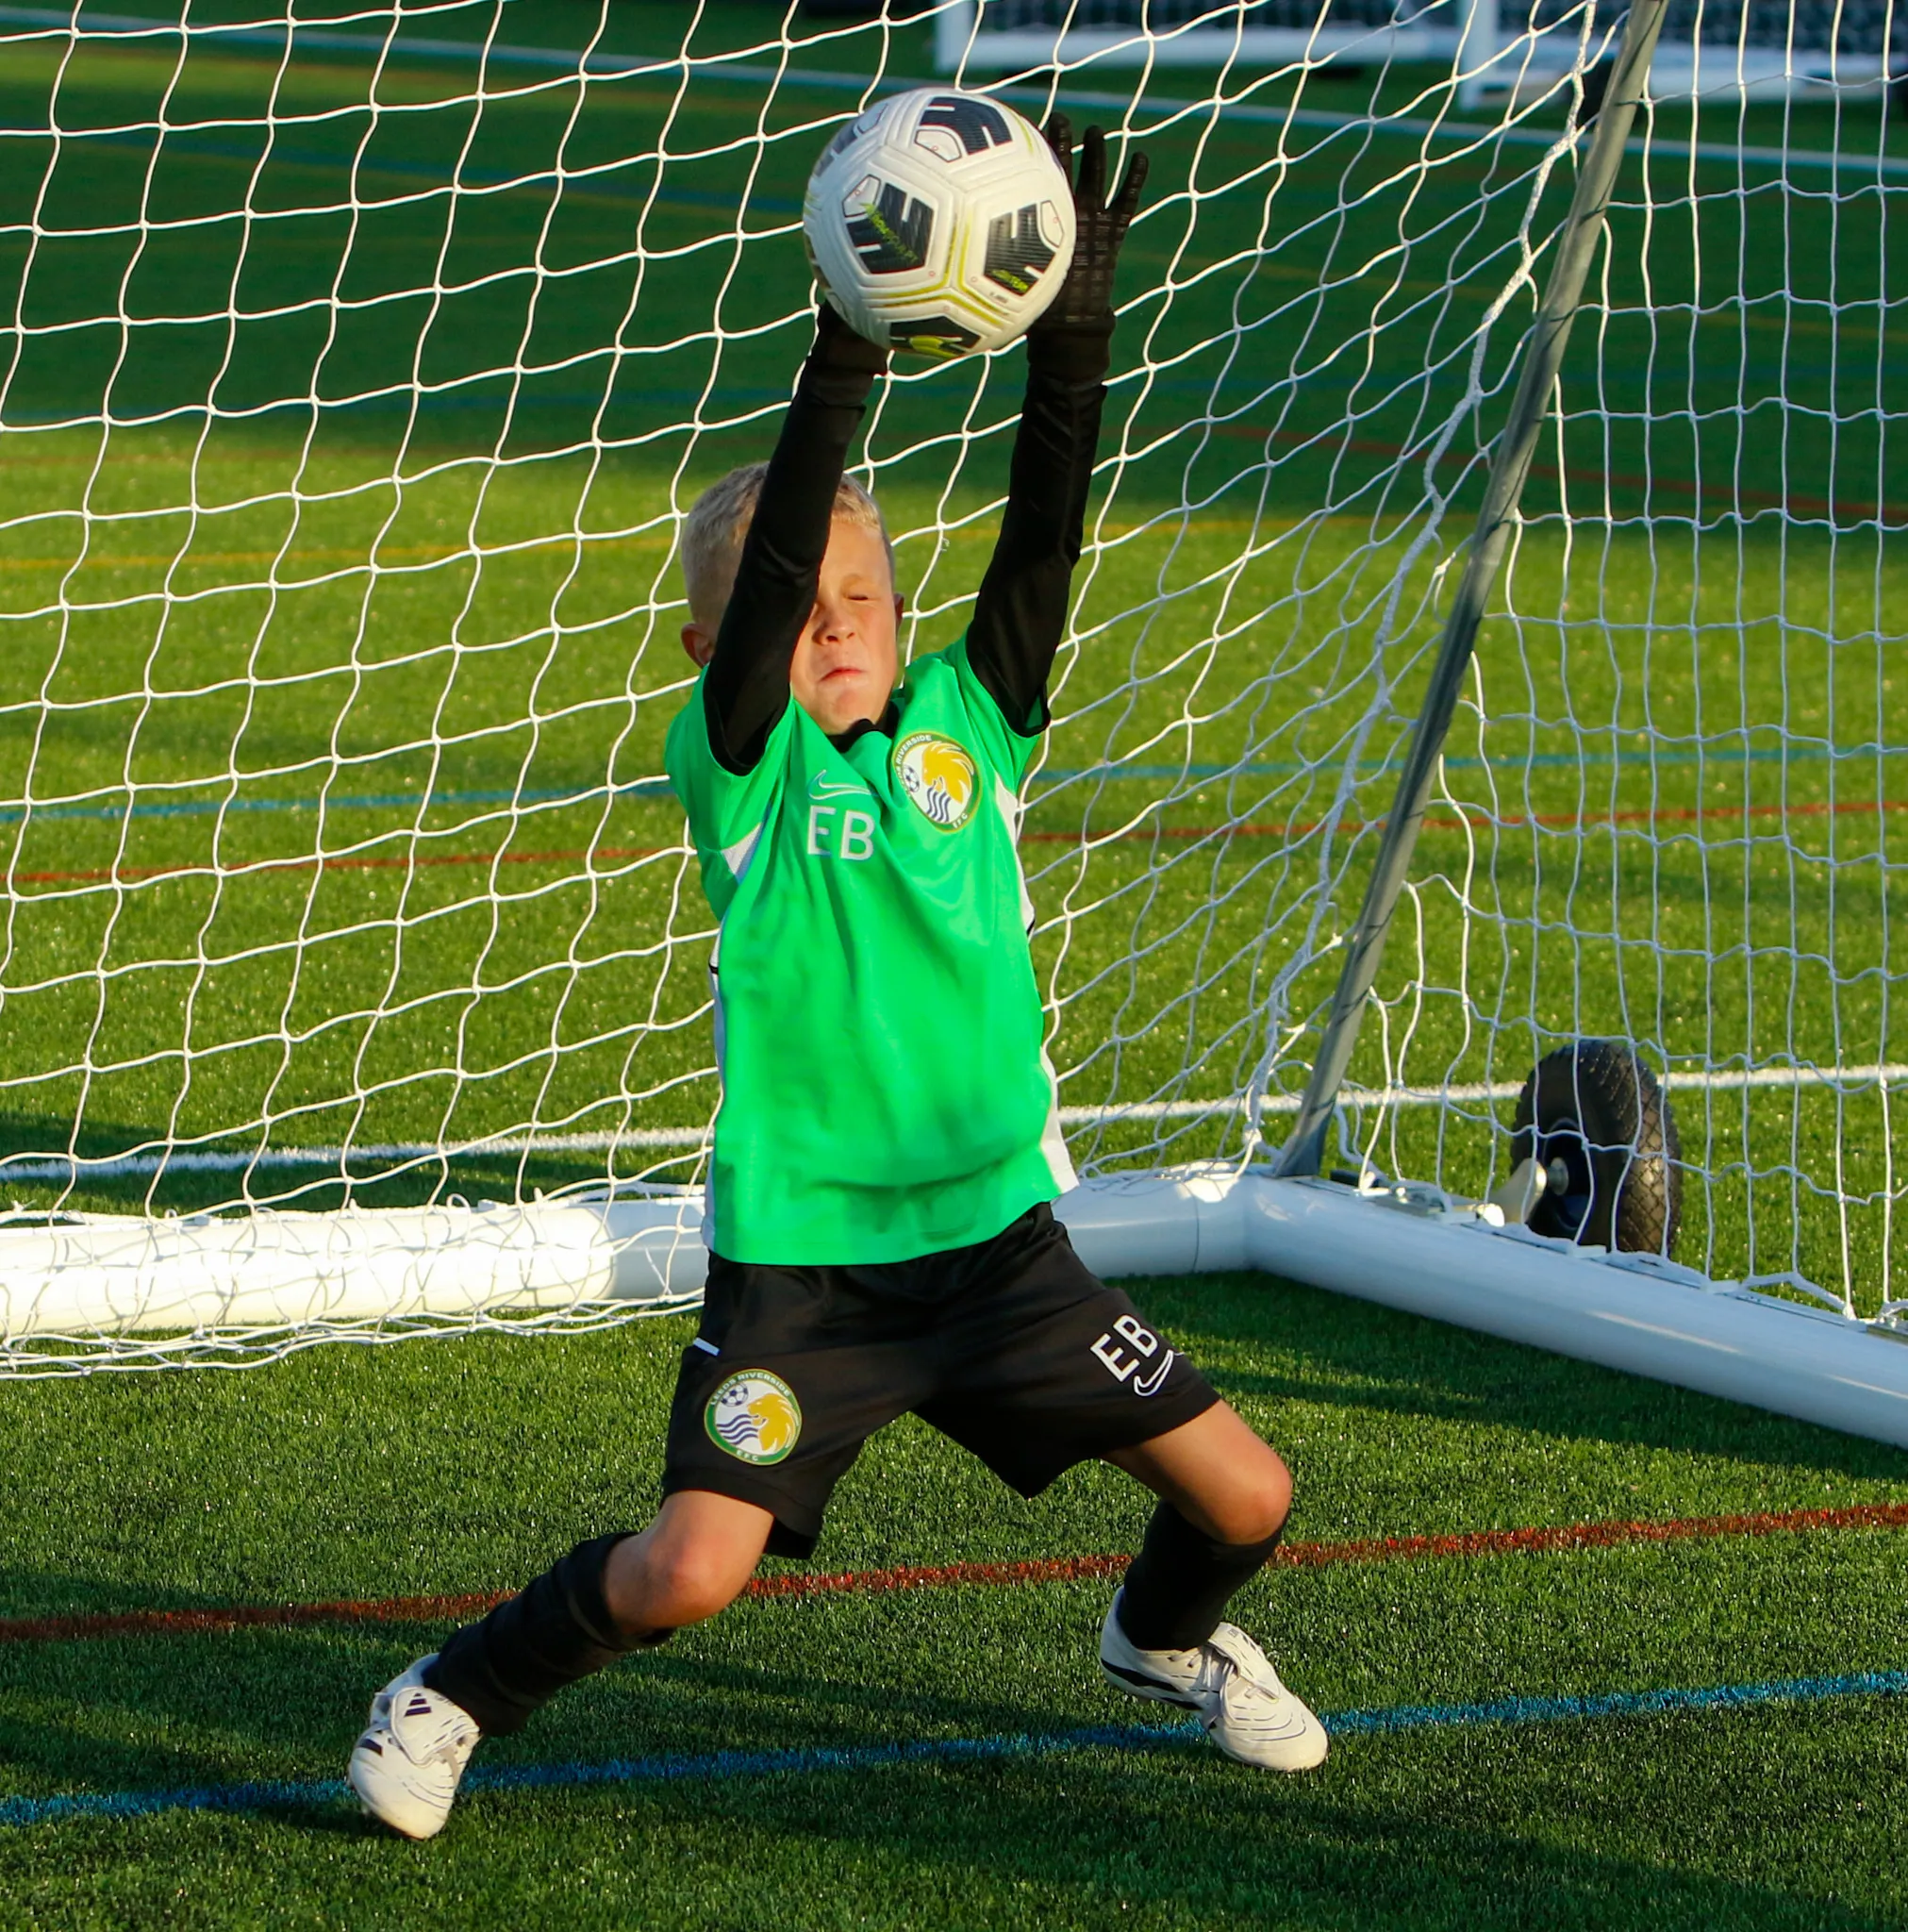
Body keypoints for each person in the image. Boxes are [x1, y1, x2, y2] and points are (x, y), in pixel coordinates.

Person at [345, 119, 1326, 1842]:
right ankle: (446, 1695)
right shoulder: (740, 777)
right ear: (717, 651)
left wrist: (1077, 310)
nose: (840, 622)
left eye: (865, 594)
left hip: (1002, 1253)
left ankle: (1158, 1645)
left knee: (1248, 1496)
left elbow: (1046, 527)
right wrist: (843, 343)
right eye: (800, 605)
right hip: (806, 1275)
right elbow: (786, 545)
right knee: (686, 1575)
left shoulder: (970, 726)